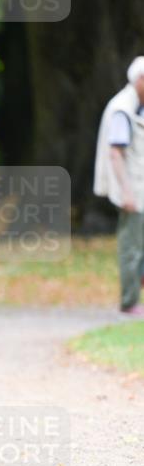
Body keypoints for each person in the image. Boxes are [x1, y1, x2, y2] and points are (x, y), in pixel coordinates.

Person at [93, 56, 144, 315]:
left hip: (140, 189)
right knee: (131, 246)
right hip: (133, 191)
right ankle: (130, 302)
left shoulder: (137, 106)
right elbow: (116, 153)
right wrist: (126, 192)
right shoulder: (123, 110)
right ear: (140, 80)